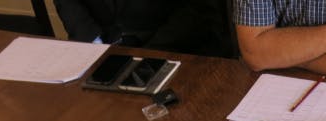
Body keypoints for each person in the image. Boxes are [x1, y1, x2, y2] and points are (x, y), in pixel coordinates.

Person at [55, 0, 236, 58]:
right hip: (98, 47)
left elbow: (201, 8)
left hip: (181, 49)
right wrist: (92, 43)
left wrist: (149, 53)